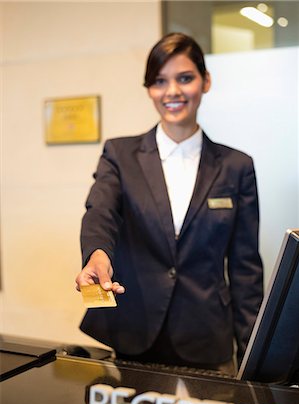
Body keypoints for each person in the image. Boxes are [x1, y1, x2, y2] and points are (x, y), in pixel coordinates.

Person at [75, 33, 263, 375]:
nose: (172, 92)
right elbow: (101, 211)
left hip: (207, 338)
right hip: (135, 334)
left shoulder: (236, 167)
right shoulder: (121, 155)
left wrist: (255, 359)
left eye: (185, 78)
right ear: (149, 89)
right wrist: (97, 253)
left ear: (205, 82)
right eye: (160, 81)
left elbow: (245, 268)